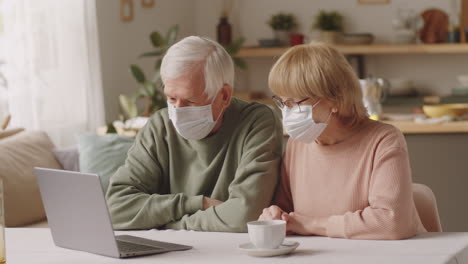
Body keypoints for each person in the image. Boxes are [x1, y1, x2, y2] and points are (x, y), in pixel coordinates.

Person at [106, 36, 282, 232]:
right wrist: (197, 204)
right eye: (171, 98)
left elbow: (244, 216)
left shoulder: (257, 122)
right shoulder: (160, 126)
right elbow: (114, 208)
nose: (178, 111)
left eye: (190, 101)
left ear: (224, 96)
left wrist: (168, 225)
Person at [259, 42, 426, 240]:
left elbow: (391, 222)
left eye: (295, 102)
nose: (287, 112)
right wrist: (274, 215)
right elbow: (288, 214)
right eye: (282, 102)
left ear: (336, 99)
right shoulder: (298, 144)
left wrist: (312, 224)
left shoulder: (383, 140)